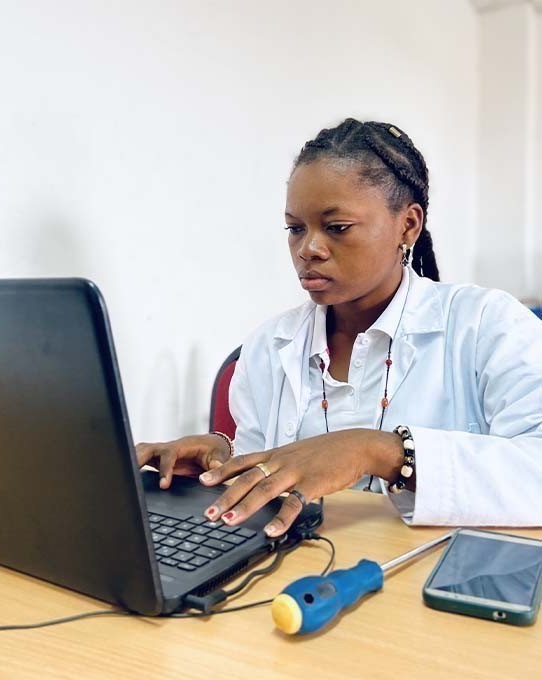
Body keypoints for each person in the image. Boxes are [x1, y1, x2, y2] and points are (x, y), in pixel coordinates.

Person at [136, 117, 542, 534]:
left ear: (408, 225)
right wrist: (224, 463)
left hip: (436, 571)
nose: (308, 249)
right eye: (295, 229)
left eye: (337, 228)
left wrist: (381, 451)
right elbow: (263, 488)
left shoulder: (488, 325)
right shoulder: (269, 346)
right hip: (304, 567)